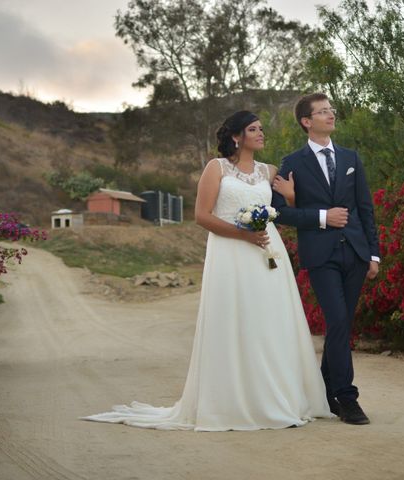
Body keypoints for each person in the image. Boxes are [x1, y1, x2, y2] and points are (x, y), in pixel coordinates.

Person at [81, 111, 332, 431]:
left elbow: (285, 212)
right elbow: (202, 215)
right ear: (236, 137)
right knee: (235, 321)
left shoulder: (270, 172)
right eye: (253, 129)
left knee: (270, 321)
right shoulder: (216, 169)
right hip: (231, 252)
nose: (261, 134)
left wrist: (293, 198)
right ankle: (234, 400)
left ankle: (278, 395)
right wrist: (243, 234)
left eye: (261, 129)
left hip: (268, 252)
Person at [271, 93, 380, 425]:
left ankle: (325, 390)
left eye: (331, 110)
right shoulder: (292, 163)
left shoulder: (350, 157)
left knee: (341, 326)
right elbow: (279, 213)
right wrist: (321, 217)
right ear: (307, 121)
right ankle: (347, 398)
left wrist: (373, 253)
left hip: (356, 253)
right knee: (336, 323)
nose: (331, 115)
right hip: (321, 255)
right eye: (322, 111)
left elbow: (365, 208)